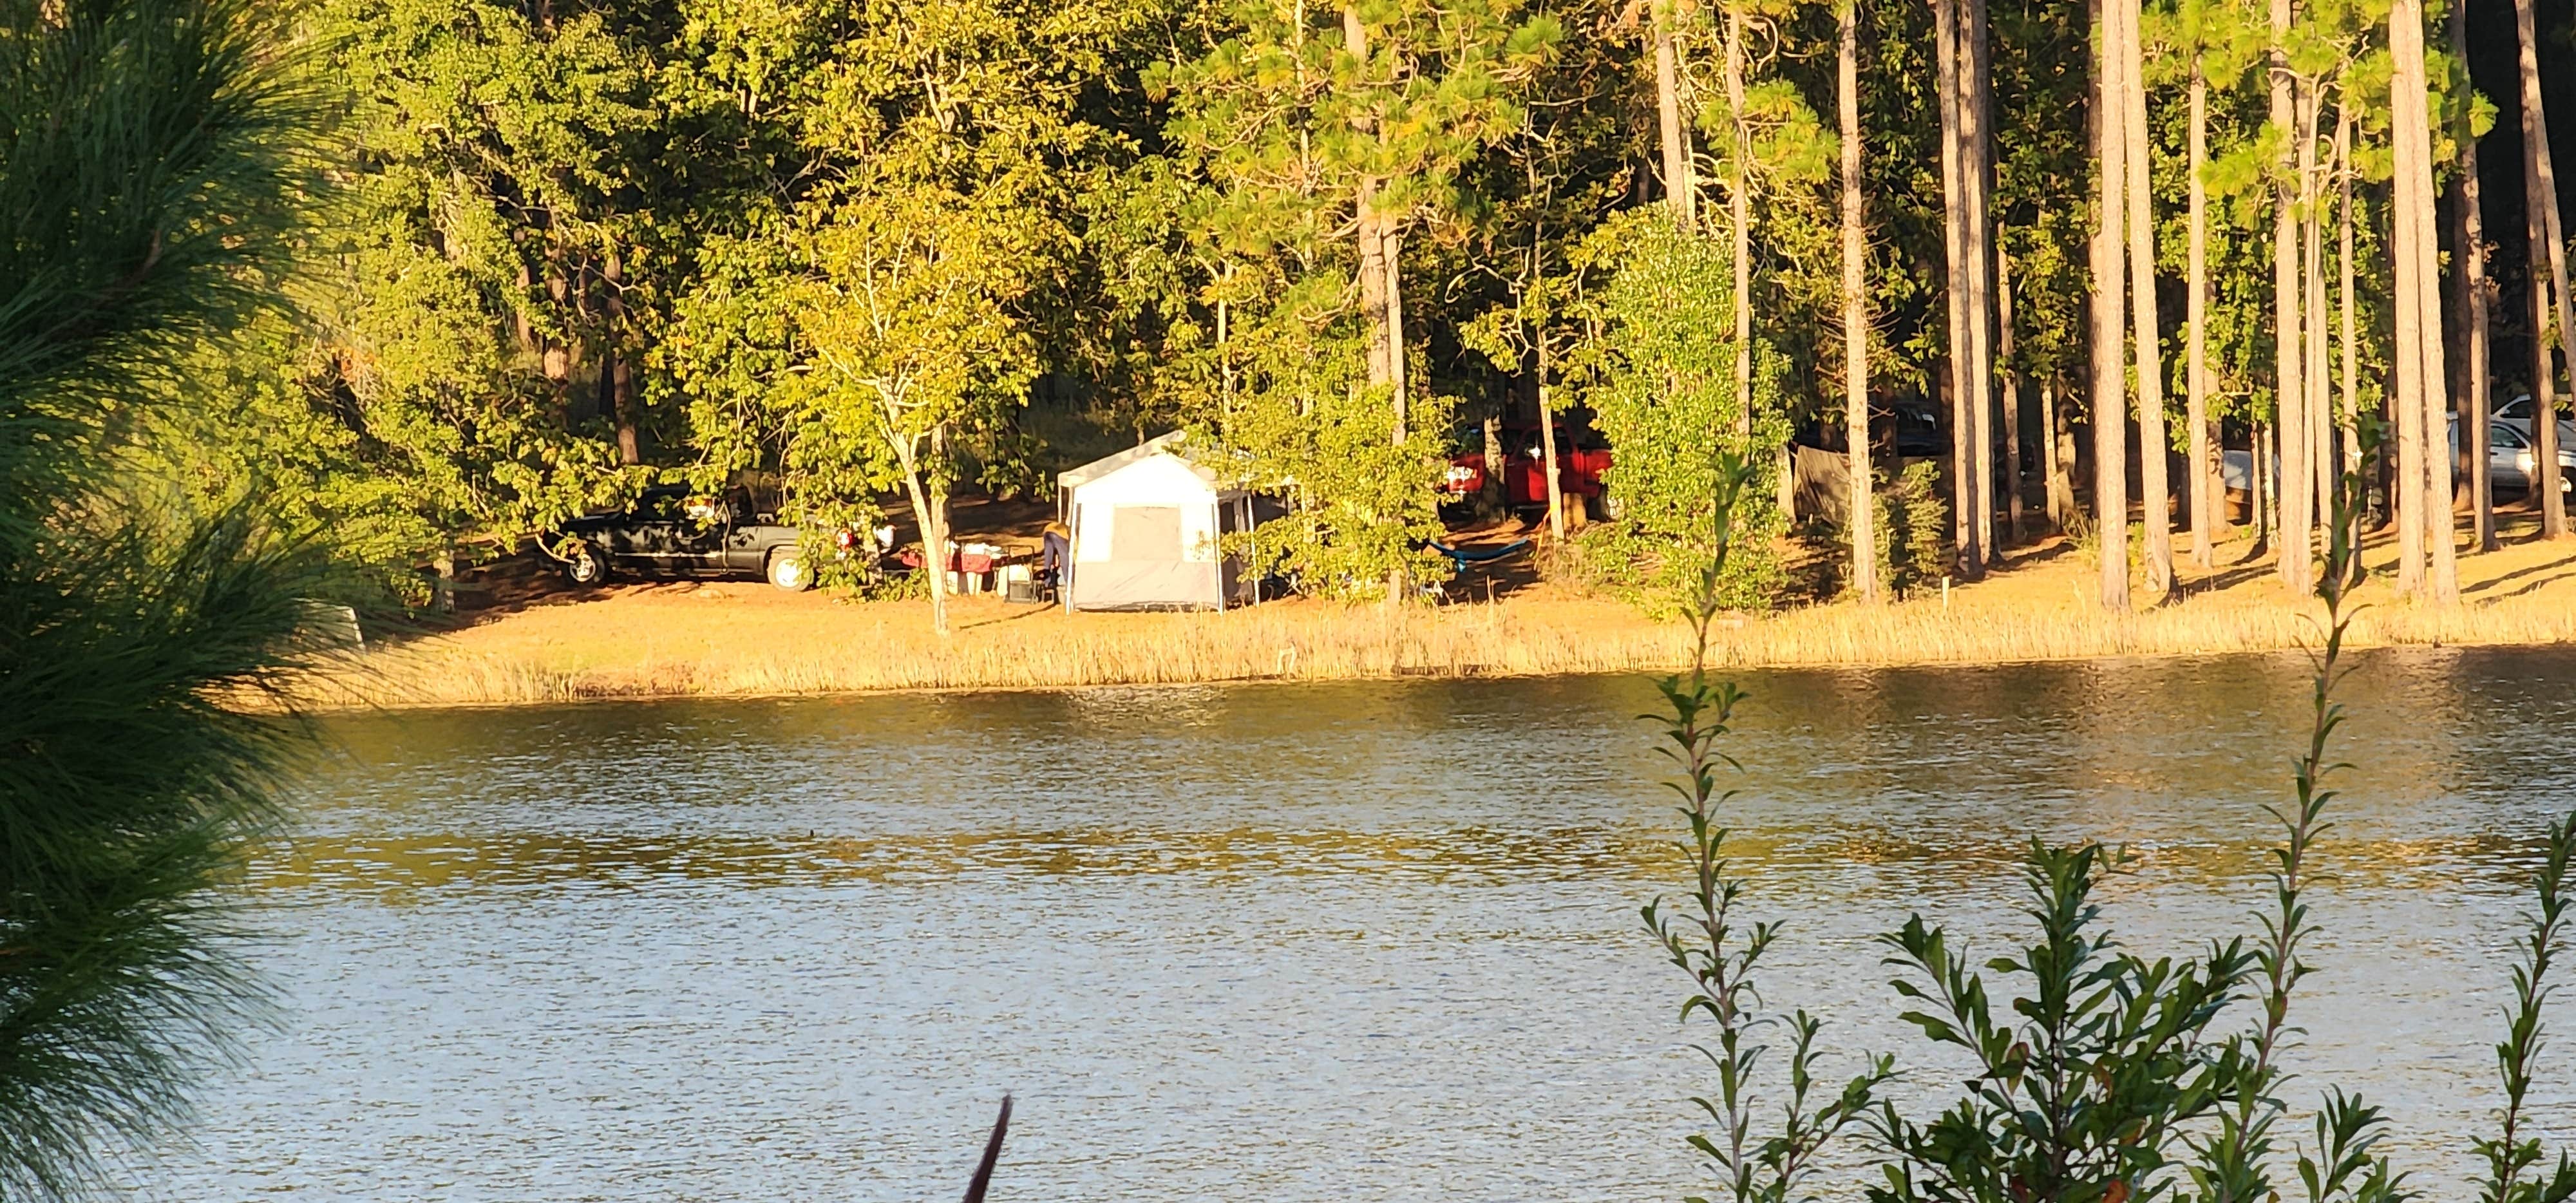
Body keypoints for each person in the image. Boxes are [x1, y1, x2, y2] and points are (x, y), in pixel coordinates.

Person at [1037, 520, 1070, 602]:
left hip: (1047, 532)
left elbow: (1053, 554)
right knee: (1065, 559)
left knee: (1048, 560)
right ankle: (1068, 582)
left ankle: (1047, 582)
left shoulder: (1059, 526)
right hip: (1059, 535)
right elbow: (1064, 552)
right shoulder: (1069, 533)